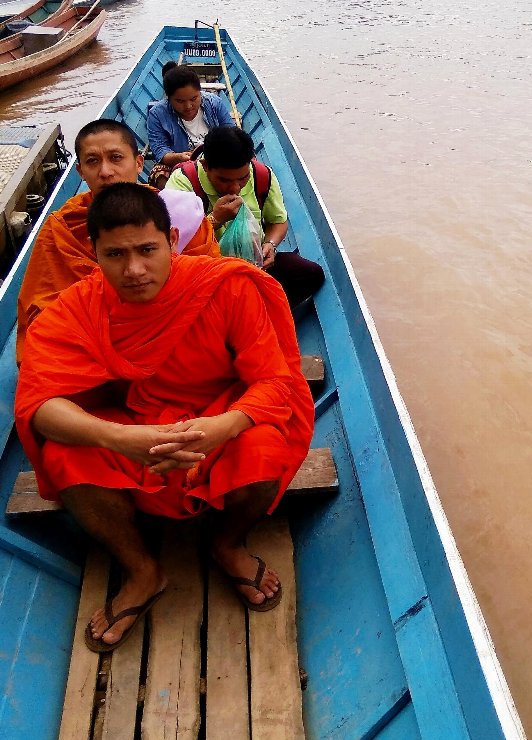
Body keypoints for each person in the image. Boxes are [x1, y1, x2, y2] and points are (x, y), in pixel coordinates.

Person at [15, 184, 314, 651]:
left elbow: (274, 383)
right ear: (94, 253)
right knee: (64, 454)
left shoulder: (225, 286)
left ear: (172, 240)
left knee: (266, 442)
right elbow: (40, 405)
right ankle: (142, 569)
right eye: (115, 254)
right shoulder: (76, 308)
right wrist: (121, 438)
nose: (134, 270)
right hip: (132, 428)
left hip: (217, 418)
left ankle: (228, 543)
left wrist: (221, 428)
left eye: (147, 250)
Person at [16, 119, 220, 364]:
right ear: (80, 172)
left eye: (116, 158)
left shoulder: (182, 214)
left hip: (174, 343)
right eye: (93, 161)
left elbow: (210, 291)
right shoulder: (65, 226)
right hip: (92, 348)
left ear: (138, 163)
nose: (105, 172)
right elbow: (43, 308)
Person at [166, 125, 325, 308]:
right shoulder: (183, 183)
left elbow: (278, 222)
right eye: (224, 180)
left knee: (309, 273)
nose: (235, 188)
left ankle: (257, 312)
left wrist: (270, 245)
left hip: (255, 267)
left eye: (242, 178)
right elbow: (172, 247)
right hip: (207, 277)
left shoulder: (262, 175)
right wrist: (214, 220)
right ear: (205, 166)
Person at [146, 66, 235, 169]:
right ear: (168, 97)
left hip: (217, 159)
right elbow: (159, 150)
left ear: (200, 92)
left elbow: (230, 132)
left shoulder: (214, 103)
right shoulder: (157, 114)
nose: (188, 106)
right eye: (180, 101)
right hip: (182, 166)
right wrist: (178, 157)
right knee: (158, 172)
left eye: (194, 98)